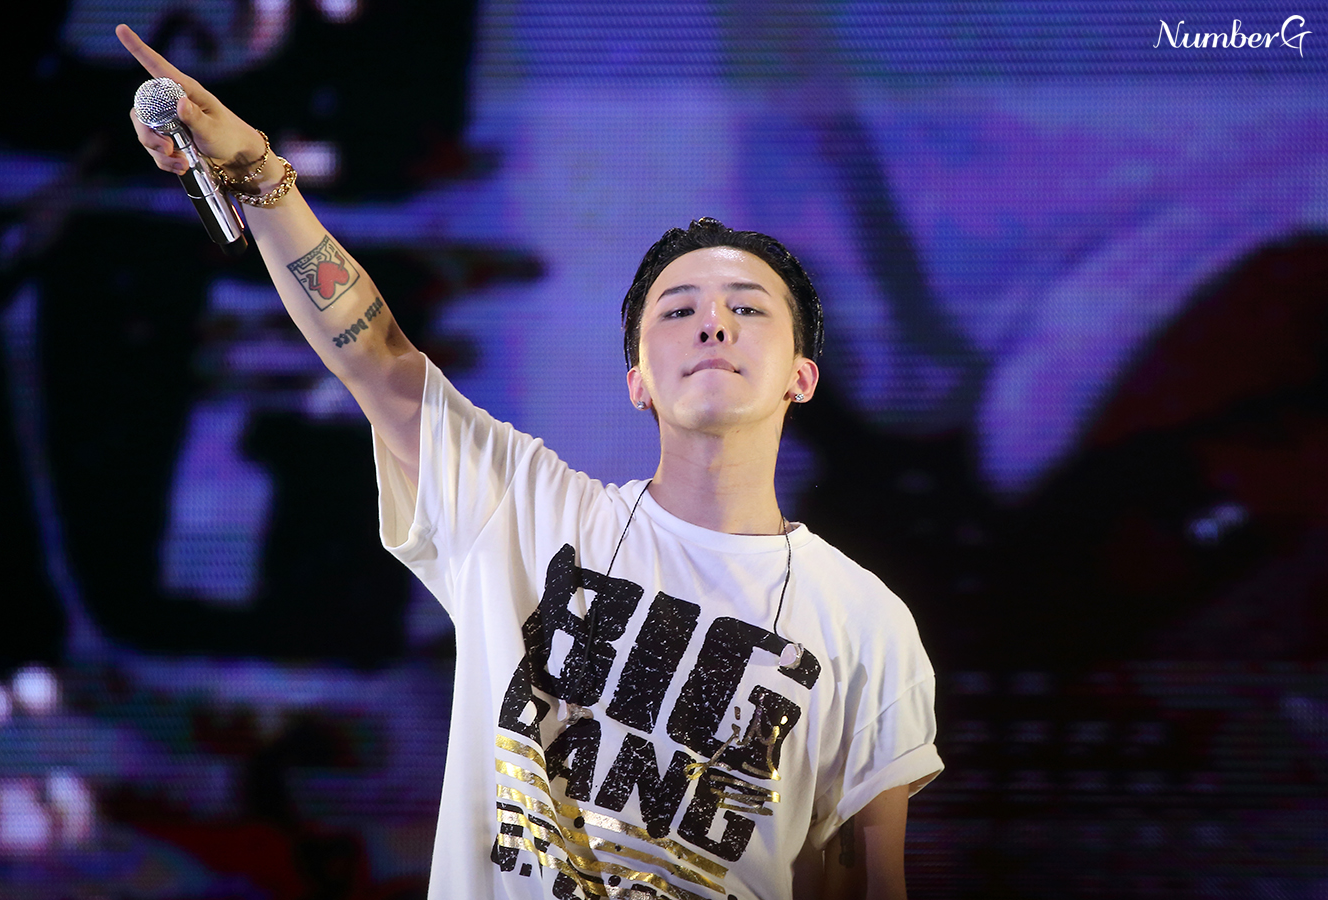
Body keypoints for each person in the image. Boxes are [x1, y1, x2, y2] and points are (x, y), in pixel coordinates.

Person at [117, 24, 942, 899]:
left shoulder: (865, 622)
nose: (713, 324)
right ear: (637, 381)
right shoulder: (526, 513)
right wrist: (256, 173)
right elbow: (375, 354)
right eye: (678, 311)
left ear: (802, 376)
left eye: (748, 308)